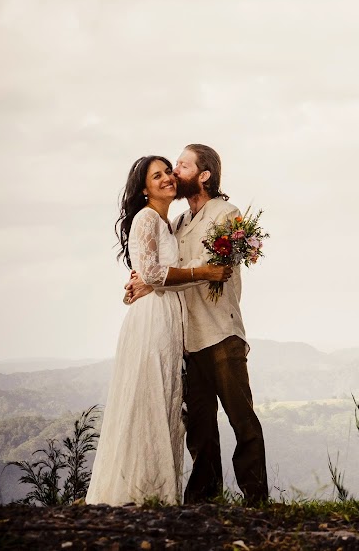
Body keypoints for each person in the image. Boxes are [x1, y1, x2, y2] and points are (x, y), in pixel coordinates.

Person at [125, 144, 269, 506]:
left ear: (203, 176)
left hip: (221, 333)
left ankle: (257, 499)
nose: (175, 172)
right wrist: (144, 279)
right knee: (200, 428)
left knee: (241, 419)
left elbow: (211, 271)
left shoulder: (226, 214)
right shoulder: (177, 222)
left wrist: (151, 280)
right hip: (186, 337)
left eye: (182, 166)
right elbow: (160, 265)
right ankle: (204, 500)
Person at [87, 156, 231, 506]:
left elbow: (154, 276)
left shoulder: (170, 223)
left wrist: (150, 284)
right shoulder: (146, 219)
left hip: (168, 317)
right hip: (152, 321)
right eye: (158, 175)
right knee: (147, 396)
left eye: (169, 171)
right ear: (143, 188)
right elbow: (153, 273)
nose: (168, 178)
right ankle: (133, 491)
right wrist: (204, 274)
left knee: (163, 396)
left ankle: (156, 491)